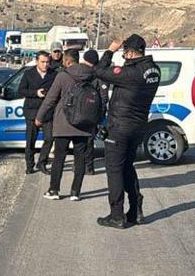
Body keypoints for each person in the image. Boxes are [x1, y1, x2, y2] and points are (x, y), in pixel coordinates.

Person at [94, 34, 160, 228]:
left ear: (130, 52)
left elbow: (99, 70)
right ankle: (135, 210)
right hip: (138, 126)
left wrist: (110, 51)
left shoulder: (132, 73)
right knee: (127, 167)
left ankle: (117, 215)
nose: (123, 56)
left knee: (114, 169)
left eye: (124, 52)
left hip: (120, 127)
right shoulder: (153, 70)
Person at [35, 49, 97, 201]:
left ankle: (54, 190)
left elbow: (50, 99)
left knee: (59, 158)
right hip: (84, 123)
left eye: (64, 61)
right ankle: (75, 192)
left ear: (68, 61)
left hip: (64, 122)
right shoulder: (91, 76)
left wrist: (39, 117)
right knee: (80, 158)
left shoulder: (63, 76)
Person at [18, 51, 57, 174]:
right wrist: (35, 93)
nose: (45, 65)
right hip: (31, 111)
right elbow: (21, 90)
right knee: (30, 140)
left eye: (47, 62)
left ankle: (42, 162)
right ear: (36, 61)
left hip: (47, 112)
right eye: (43, 62)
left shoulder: (54, 74)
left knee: (49, 138)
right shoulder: (28, 74)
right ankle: (30, 165)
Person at [81, 49, 110, 175]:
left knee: (88, 141)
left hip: (92, 113)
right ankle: (84, 165)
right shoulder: (88, 73)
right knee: (85, 140)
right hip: (85, 111)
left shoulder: (98, 75)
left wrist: (100, 115)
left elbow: (104, 98)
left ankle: (88, 167)